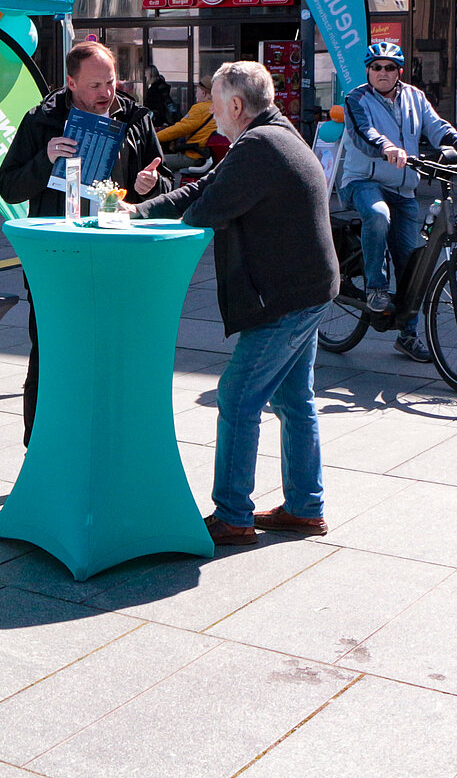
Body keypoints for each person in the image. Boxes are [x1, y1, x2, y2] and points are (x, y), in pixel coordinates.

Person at [130, 61, 339, 547]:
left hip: (287, 297)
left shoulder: (259, 146)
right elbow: (206, 188)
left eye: (215, 103)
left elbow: (206, 208)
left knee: (238, 398)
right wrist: (138, 211)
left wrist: (147, 215)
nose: (210, 112)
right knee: (294, 400)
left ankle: (232, 517)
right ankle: (306, 508)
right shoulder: (273, 132)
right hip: (308, 287)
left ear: (237, 106)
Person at [0, 40, 174, 446]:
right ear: (71, 83)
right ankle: (39, 449)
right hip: (57, 259)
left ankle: (105, 443)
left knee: (112, 356)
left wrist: (150, 185)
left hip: (117, 257)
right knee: (52, 355)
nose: (106, 94)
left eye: (111, 82)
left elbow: (164, 184)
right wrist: (44, 159)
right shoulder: (41, 121)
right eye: (95, 85)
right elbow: (8, 187)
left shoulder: (136, 119)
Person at [341, 41, 457, 362]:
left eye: (390, 67)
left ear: (399, 71)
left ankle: (408, 336)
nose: (383, 73)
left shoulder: (414, 97)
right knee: (378, 215)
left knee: (410, 264)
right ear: (368, 70)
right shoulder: (356, 98)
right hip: (364, 181)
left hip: (404, 187)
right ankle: (376, 289)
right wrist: (387, 147)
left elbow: (438, 128)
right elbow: (363, 132)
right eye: (376, 67)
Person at [158, 81, 218, 168]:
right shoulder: (219, 108)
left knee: (152, 163)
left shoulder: (199, 109)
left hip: (194, 156)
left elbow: (180, 129)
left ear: (204, 93)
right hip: (206, 156)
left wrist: (155, 136)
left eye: (197, 91)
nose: (196, 94)